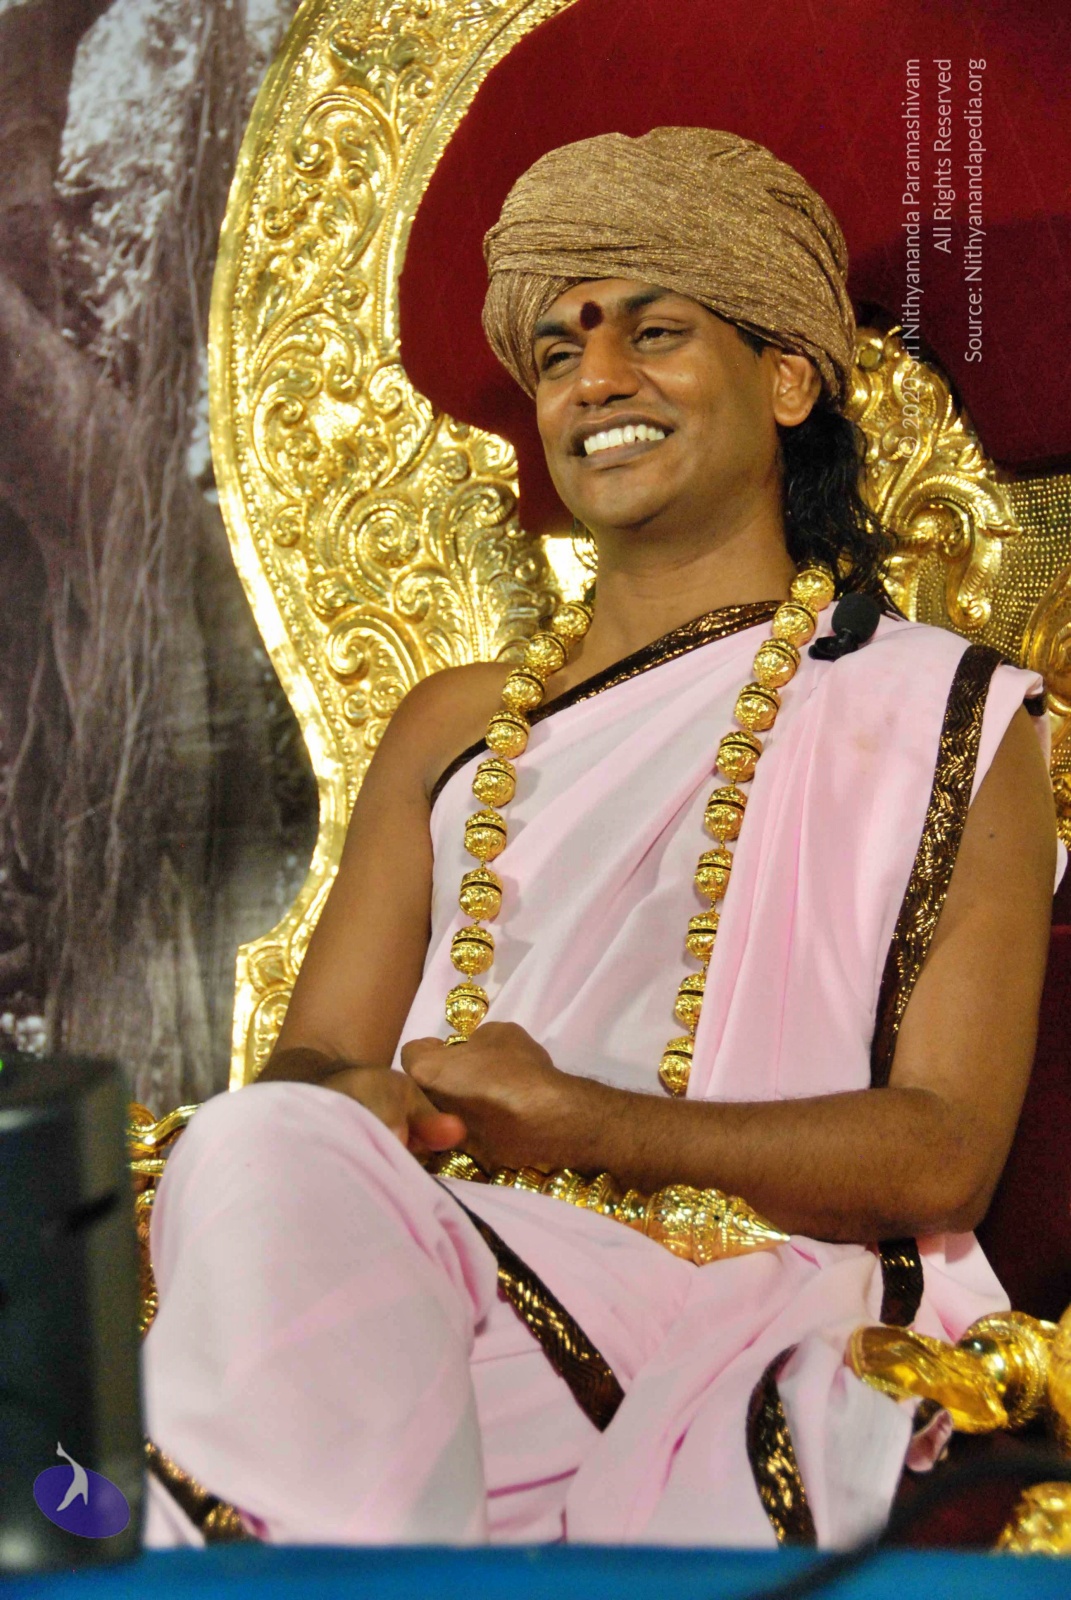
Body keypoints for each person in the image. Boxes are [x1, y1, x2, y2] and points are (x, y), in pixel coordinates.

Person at [142, 128, 1059, 1550]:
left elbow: (943, 1157)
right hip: (429, 1250)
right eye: (561, 350)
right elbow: (313, 1062)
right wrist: (361, 1103)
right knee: (255, 1150)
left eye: (656, 330)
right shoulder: (453, 725)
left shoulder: (947, 713)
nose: (597, 380)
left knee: (188, 1440)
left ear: (788, 380)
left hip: (726, 1290)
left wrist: (594, 1125)